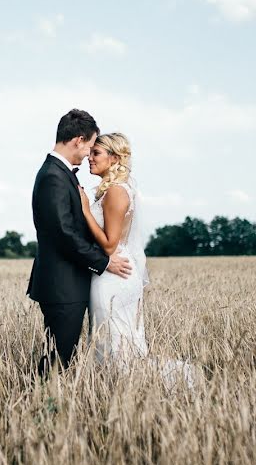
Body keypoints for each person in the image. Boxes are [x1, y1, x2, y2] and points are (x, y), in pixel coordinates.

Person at [79, 132, 196, 388]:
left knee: (115, 339)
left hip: (113, 275)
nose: (89, 157)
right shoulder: (117, 189)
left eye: (96, 153)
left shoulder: (117, 192)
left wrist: (86, 210)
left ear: (114, 158)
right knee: (117, 338)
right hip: (117, 273)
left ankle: (133, 387)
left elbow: (109, 244)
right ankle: (123, 390)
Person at [27, 109, 132, 377]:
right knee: (61, 355)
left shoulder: (60, 173)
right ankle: (38, 400)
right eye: (89, 147)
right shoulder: (53, 175)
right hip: (62, 285)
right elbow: (63, 232)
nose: (88, 154)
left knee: (64, 353)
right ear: (78, 140)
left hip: (68, 283)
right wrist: (104, 261)